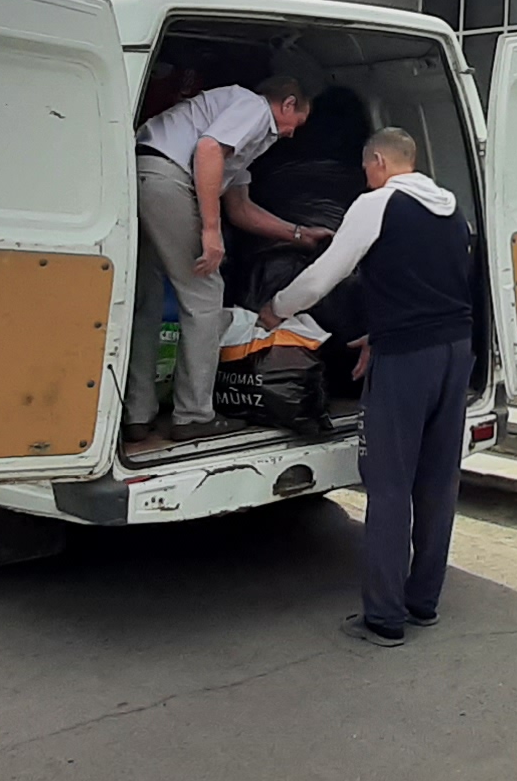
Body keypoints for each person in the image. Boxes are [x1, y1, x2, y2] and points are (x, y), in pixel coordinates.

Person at [262, 127, 474, 647]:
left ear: (379, 160)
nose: (364, 176)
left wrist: (276, 309)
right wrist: (378, 333)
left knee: (388, 481)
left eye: (365, 167)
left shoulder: (376, 204)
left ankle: (384, 618)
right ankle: (423, 602)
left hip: (407, 361)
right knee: (437, 479)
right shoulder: (453, 211)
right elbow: (434, 285)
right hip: (455, 351)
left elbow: (323, 277)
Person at [128, 75, 325, 445]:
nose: (292, 134)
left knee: (147, 299)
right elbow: (207, 150)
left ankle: (137, 414)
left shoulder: (238, 135)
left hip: (144, 175)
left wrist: (299, 234)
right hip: (169, 180)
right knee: (204, 294)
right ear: (287, 104)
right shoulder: (253, 107)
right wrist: (210, 230)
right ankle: (193, 415)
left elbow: (241, 209)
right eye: (297, 122)